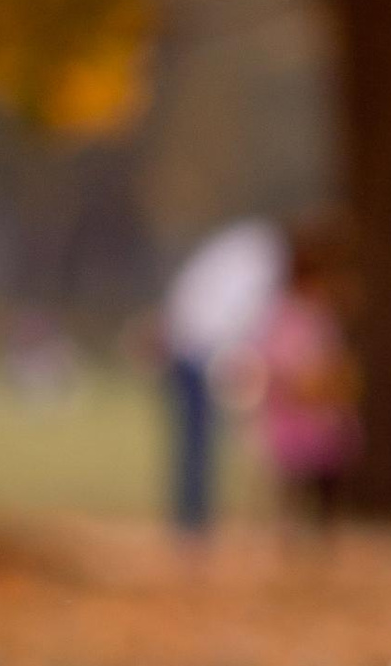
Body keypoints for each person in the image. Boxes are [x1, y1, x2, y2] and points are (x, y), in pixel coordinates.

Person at [155, 217, 283, 536]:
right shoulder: (264, 258)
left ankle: (193, 517)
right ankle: (193, 519)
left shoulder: (242, 250)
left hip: (196, 348)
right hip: (202, 352)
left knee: (196, 441)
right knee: (199, 441)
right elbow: (242, 314)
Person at [258, 218, 362, 521]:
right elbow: (281, 368)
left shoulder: (322, 317)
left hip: (322, 419)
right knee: (298, 487)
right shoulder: (287, 316)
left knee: (323, 489)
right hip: (296, 417)